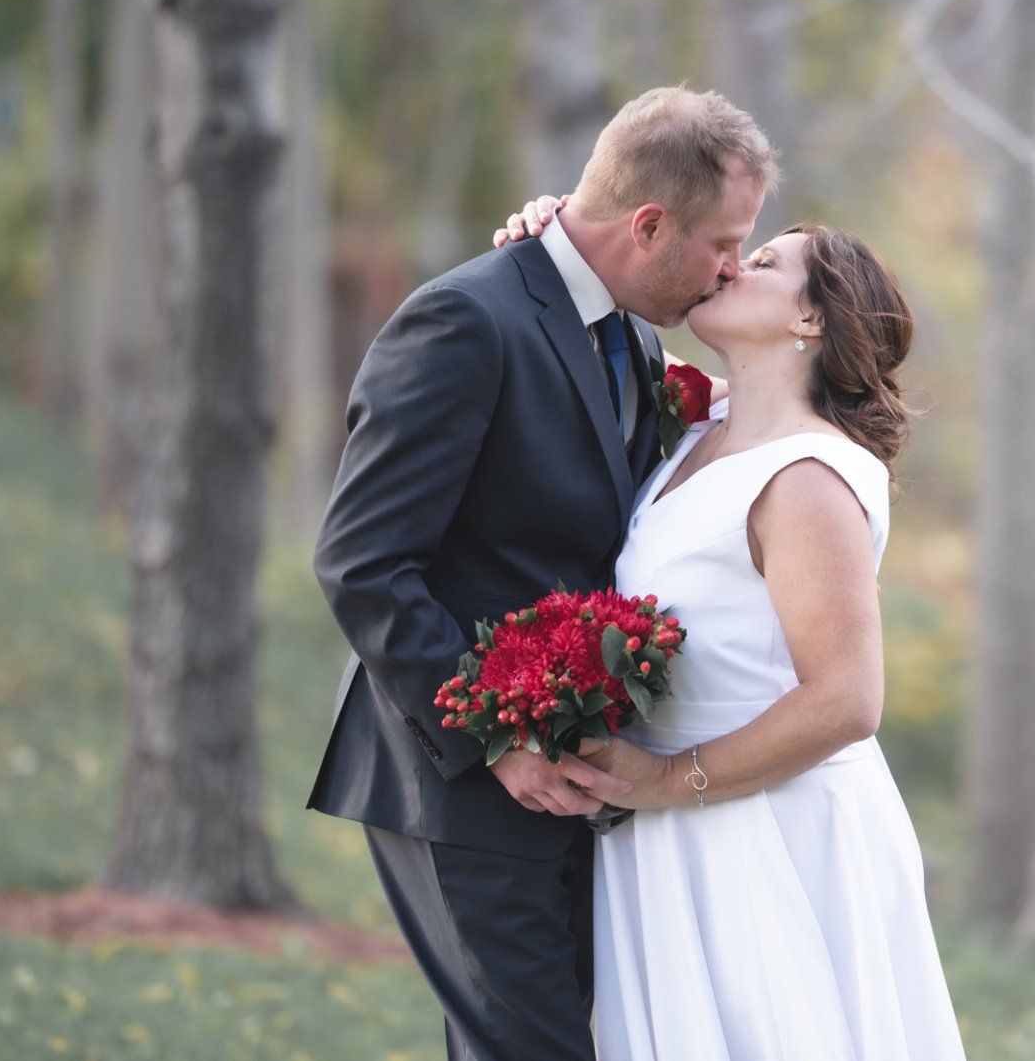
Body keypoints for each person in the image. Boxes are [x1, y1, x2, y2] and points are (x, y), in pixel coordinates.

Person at [308, 86, 774, 1061]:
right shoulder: (464, 322)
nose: (732, 269)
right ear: (649, 225)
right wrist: (498, 739)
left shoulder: (635, 332)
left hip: (576, 778)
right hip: (460, 778)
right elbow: (364, 561)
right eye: (725, 244)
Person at [499, 198, 967, 1059]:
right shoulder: (703, 429)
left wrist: (672, 778)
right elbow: (589, 335)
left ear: (809, 318)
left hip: (768, 832)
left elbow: (848, 700)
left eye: (766, 263)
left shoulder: (808, 477)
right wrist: (556, 242)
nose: (732, 264)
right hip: (669, 831)